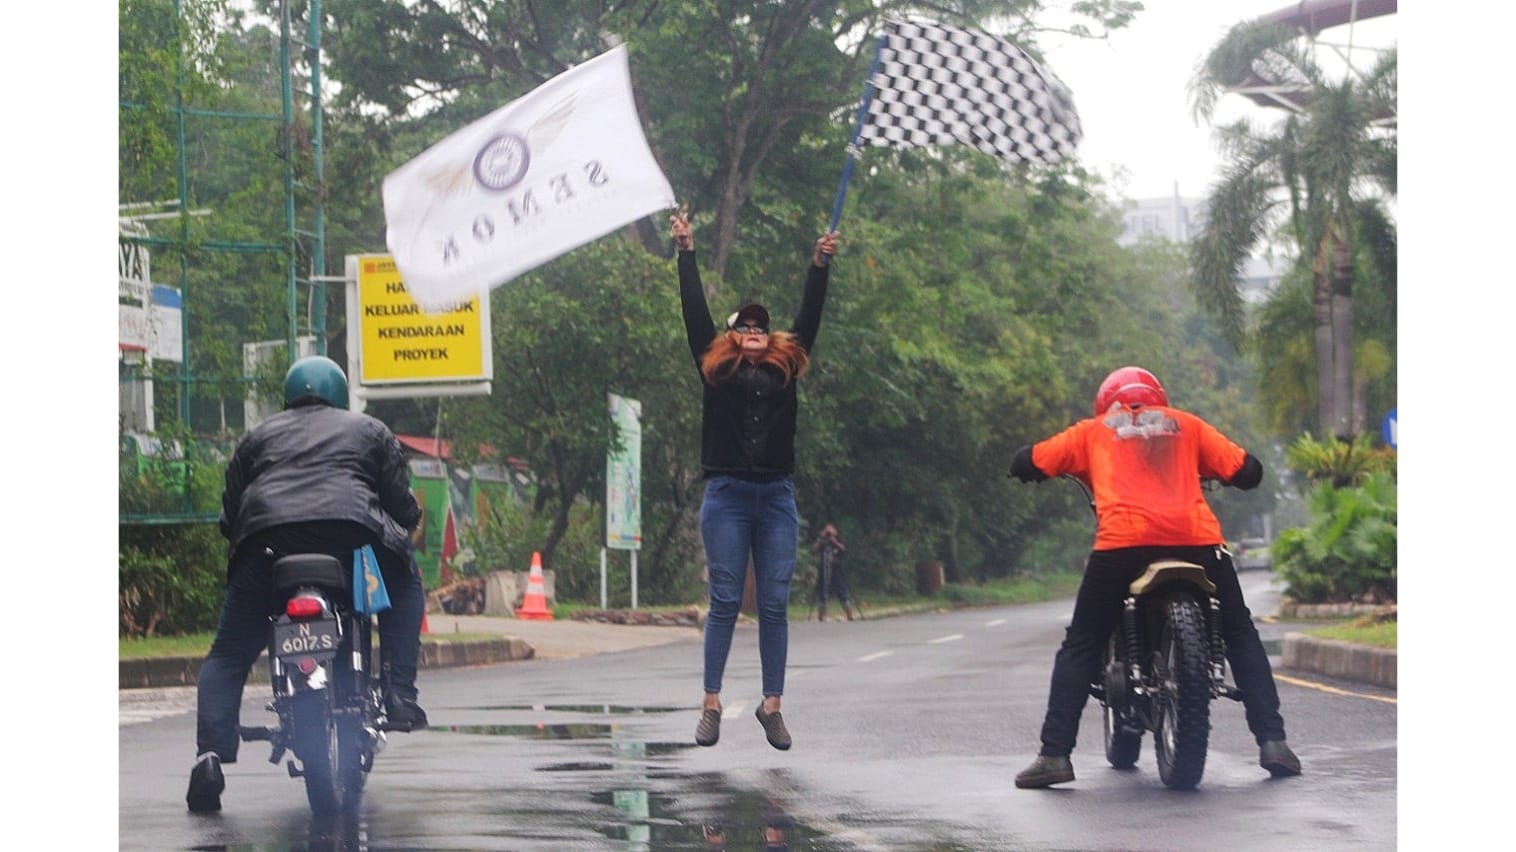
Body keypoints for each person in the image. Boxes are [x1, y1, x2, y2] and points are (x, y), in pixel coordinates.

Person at [1007, 366, 1301, 788]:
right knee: (1239, 633)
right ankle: (1273, 743)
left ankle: (1055, 755)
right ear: (1159, 399)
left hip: (1123, 546)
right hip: (1196, 543)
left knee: (1083, 642)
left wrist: (1024, 468)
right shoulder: (1188, 425)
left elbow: (1029, 459)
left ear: (1107, 404)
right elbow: (1248, 471)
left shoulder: (1092, 432)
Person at [186, 355, 430, 813]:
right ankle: (399, 694)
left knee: (229, 653)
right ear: (340, 396)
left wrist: (252, 542)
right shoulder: (370, 430)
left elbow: (230, 515)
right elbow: (402, 505)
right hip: (354, 539)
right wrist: (404, 525)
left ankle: (209, 756)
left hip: (267, 546)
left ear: (287, 398)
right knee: (407, 583)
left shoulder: (256, 437)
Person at [672, 210, 838, 751]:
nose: (752, 332)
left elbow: (810, 318)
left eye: (760, 327)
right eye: (743, 326)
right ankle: (711, 705)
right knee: (724, 600)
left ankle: (772, 706)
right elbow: (693, 312)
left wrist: (819, 265)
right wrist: (687, 251)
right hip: (726, 496)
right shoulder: (713, 367)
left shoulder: (785, 369)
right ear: (729, 335)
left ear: (770, 338)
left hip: (775, 498)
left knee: (773, 602)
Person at [812, 523, 855, 622]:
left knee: (842, 592)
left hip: (837, 571)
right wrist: (821, 538)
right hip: (824, 571)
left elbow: (844, 550)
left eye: (831, 530)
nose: (828, 533)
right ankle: (821, 617)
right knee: (822, 593)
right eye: (827, 530)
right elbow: (814, 549)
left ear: (835, 531)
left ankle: (849, 615)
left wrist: (834, 541)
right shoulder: (822, 542)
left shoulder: (839, 540)